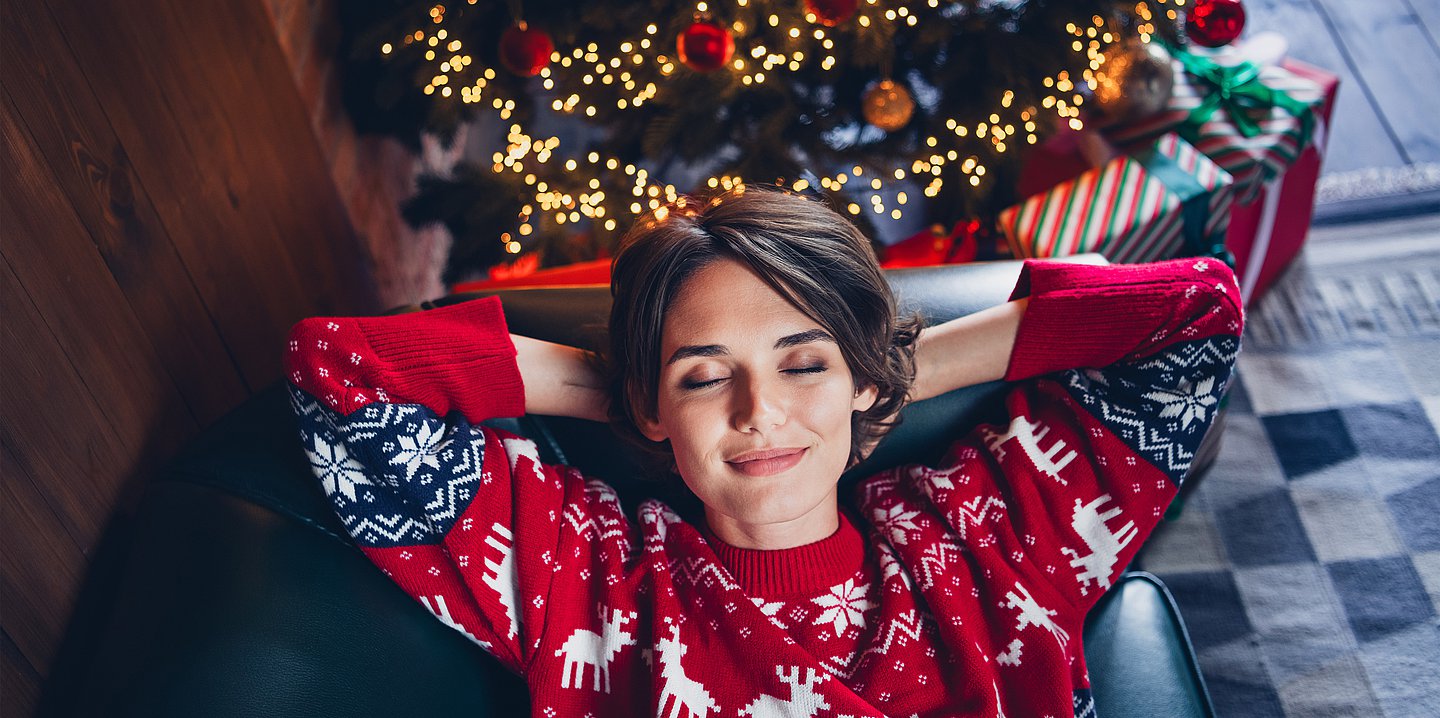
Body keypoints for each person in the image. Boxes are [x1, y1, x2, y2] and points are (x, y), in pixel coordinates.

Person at [285, 186, 1242, 717]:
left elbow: (1195, 312)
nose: (759, 412)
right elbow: (342, 370)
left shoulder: (993, 530)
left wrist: (894, 370)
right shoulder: (584, 573)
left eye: (803, 364)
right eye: (707, 377)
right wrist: (629, 391)